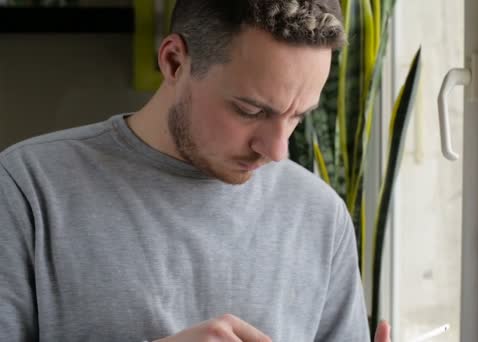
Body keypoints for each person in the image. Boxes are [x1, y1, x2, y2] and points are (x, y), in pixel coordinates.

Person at [0, 0, 391, 340]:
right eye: (251, 110)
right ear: (173, 61)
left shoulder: (320, 214)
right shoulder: (27, 188)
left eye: (298, 117)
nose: (276, 150)